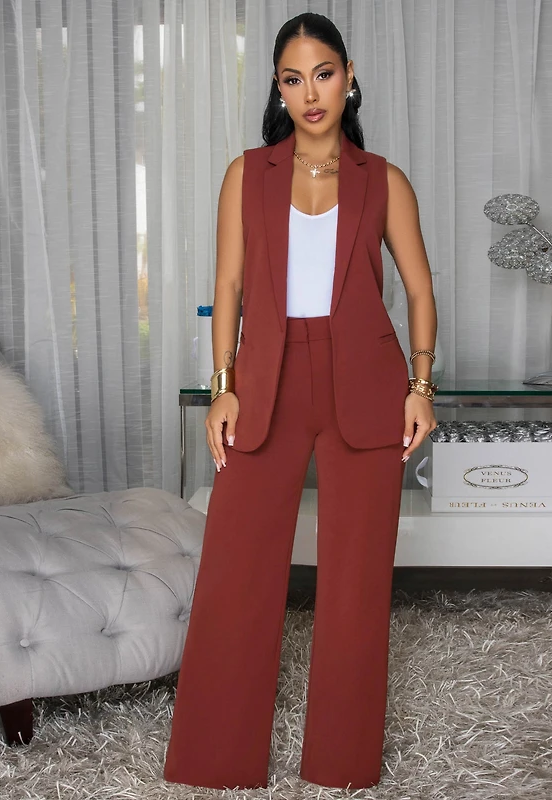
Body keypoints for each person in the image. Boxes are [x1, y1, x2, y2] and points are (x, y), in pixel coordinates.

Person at [163, 11, 438, 792]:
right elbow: (227, 286)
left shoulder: (383, 180)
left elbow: (420, 290)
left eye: (323, 73)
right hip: (267, 380)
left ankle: (341, 764)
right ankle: (217, 759)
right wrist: (223, 388)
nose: (310, 93)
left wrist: (421, 388)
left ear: (349, 79)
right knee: (236, 571)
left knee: (356, 582)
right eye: (293, 78)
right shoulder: (248, 174)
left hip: (367, 383)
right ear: (278, 90)